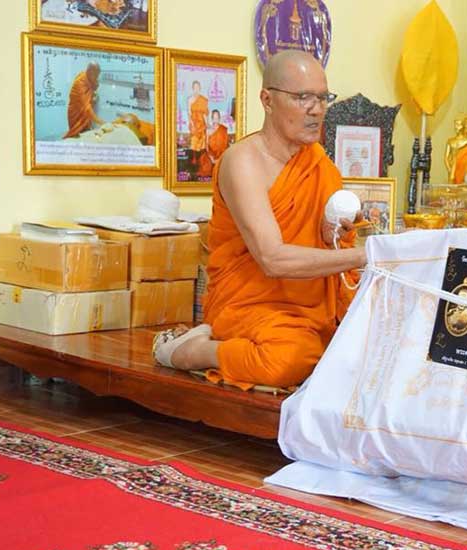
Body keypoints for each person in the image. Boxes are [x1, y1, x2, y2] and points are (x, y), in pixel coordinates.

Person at [152, 50, 366, 390]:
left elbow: (323, 242)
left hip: (312, 305)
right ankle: (194, 351)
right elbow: (272, 258)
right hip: (251, 304)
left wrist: (333, 235)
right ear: (267, 100)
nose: (316, 109)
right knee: (289, 360)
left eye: (323, 97)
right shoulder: (243, 162)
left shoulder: (319, 164)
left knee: (372, 346)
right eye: (303, 97)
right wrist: (364, 256)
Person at [64, 62, 104, 139]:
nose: (97, 78)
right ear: (90, 71)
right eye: (96, 75)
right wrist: (101, 122)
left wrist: (94, 87)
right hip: (76, 114)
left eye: (97, 76)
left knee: (85, 134)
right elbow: (86, 108)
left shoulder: (88, 78)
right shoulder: (80, 83)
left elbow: (92, 90)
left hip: (86, 115)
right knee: (76, 135)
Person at [198, 110, 230, 179]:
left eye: (217, 118)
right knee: (206, 166)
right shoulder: (208, 130)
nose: (216, 120)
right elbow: (206, 146)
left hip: (222, 154)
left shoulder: (223, 129)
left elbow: (226, 145)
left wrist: (220, 158)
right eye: (214, 118)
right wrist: (211, 158)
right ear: (212, 119)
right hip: (210, 154)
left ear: (219, 118)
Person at [188, 81, 209, 171]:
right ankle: (193, 161)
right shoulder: (190, 99)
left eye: (198, 87)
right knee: (194, 143)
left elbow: (205, 114)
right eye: (195, 87)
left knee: (202, 144)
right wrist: (192, 124)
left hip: (202, 124)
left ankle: (201, 162)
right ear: (193, 88)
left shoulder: (203, 100)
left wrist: (207, 124)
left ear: (200, 88)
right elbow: (189, 113)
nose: (196, 89)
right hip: (194, 124)